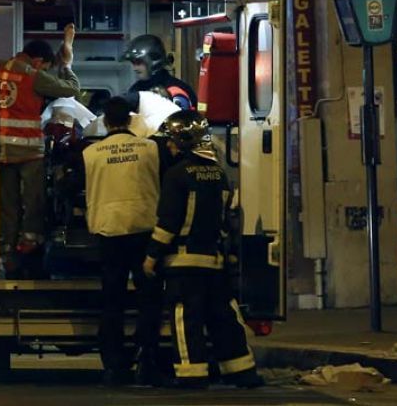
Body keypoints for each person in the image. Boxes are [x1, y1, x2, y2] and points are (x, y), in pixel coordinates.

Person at [143, 110, 264, 389]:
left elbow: (169, 222)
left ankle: (192, 375)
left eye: (172, 140)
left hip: (184, 263)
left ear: (184, 140)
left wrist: (151, 256)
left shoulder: (176, 175)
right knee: (223, 316)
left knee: (186, 318)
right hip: (214, 259)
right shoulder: (218, 173)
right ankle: (241, 372)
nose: (169, 146)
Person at [82, 96, 163, 386]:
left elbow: (75, 187)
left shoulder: (91, 153)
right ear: (130, 120)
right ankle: (147, 357)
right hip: (144, 229)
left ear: (104, 121)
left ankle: (114, 365)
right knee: (149, 298)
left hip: (109, 231)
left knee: (112, 300)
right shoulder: (151, 148)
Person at [0, 23, 80, 279]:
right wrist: (67, 64)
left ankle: (7, 253)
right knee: (33, 203)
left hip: (1, 151)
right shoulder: (33, 75)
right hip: (29, 153)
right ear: (39, 61)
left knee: (7, 205)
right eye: (46, 67)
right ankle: (29, 247)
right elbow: (71, 89)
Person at [121, 34, 197, 111]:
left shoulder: (176, 90)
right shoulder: (136, 88)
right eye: (133, 63)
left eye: (138, 62)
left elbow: (181, 121)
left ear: (154, 60)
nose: (135, 68)